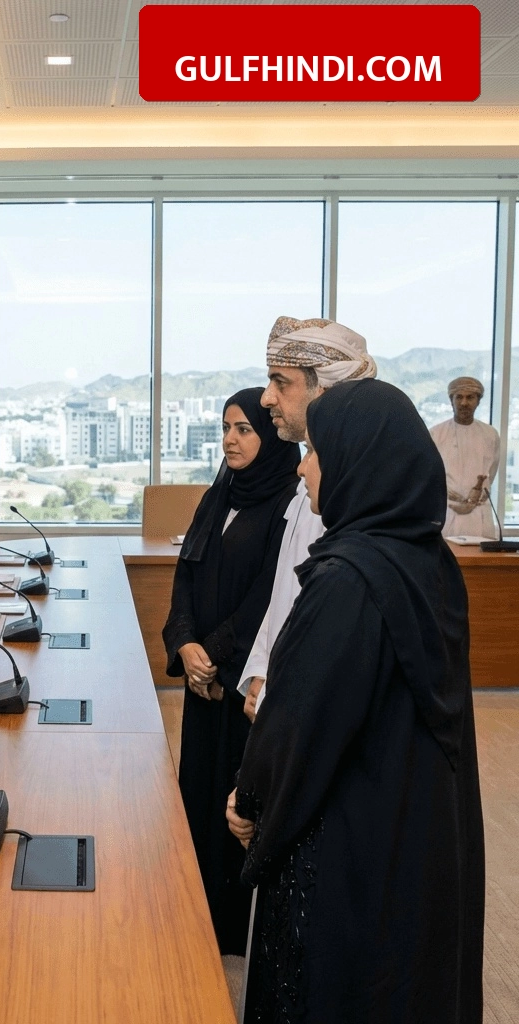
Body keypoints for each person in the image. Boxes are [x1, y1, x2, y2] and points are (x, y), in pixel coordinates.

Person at [227, 379, 484, 1024]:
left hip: (345, 846)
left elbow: (300, 723)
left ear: (357, 461)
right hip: (415, 827)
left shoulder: (347, 580)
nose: (304, 468)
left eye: (316, 451)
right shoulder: (429, 561)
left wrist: (250, 800)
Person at [162, 388, 300, 955]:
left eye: (244, 429)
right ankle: (193, 913)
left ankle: (232, 929)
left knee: (237, 801)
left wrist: (214, 656)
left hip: (243, 682)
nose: (230, 440)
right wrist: (185, 644)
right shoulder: (217, 496)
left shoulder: (289, 503)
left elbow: (268, 597)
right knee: (198, 792)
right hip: (203, 679)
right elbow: (185, 577)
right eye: (225, 428)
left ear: (268, 436)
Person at [238, 316, 377, 720]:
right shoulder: (307, 478)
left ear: (325, 391)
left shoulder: (349, 489)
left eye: (281, 383)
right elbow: (285, 590)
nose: (267, 398)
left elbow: (331, 627)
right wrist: (262, 667)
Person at [430, 375, 500, 539]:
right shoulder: (436, 433)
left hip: (479, 514)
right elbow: (430, 475)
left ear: (478, 401)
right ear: (451, 400)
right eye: (459, 397)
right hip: (448, 511)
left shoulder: (490, 434)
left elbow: (492, 472)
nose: (464, 403)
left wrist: (473, 499)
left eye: (470, 397)